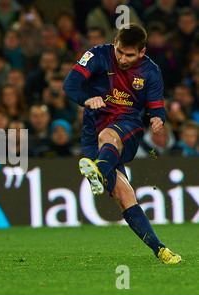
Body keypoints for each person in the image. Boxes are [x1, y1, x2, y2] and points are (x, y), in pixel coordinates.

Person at [62, 23, 181, 264]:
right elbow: (70, 85)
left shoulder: (151, 71)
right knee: (123, 194)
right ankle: (161, 250)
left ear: (142, 52)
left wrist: (158, 119)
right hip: (91, 132)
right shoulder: (97, 55)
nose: (123, 58)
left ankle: (99, 171)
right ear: (115, 43)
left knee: (109, 136)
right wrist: (87, 99)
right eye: (120, 52)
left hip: (128, 126)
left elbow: (156, 108)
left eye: (129, 55)